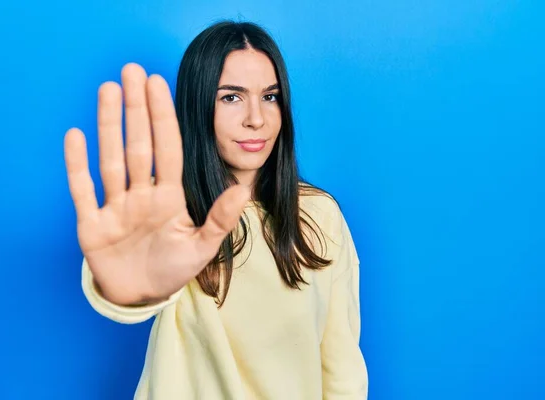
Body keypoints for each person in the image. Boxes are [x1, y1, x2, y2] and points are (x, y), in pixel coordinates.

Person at [64, 20, 368, 400]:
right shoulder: (171, 213)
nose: (256, 118)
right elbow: (129, 285)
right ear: (198, 104)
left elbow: (342, 372)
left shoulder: (319, 216)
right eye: (231, 97)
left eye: (270, 96)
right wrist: (123, 291)